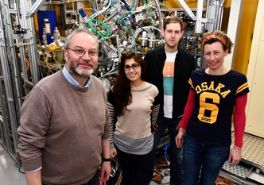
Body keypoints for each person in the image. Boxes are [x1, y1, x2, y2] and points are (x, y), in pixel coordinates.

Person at [17, 28, 111, 185]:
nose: (86, 57)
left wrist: (106, 159)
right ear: (66, 54)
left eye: (92, 52)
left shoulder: (99, 86)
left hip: (92, 177)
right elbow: (29, 147)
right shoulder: (44, 92)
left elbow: (106, 126)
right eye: (79, 51)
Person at [175, 30, 249, 185]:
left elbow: (240, 115)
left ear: (227, 52)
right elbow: (190, 105)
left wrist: (238, 146)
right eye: (207, 53)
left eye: (217, 53)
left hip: (218, 144)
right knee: (188, 180)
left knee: (208, 182)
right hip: (193, 139)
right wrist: (182, 129)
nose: (212, 58)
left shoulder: (238, 80)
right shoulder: (196, 75)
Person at [144, 16, 196, 185]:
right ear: (163, 33)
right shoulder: (151, 57)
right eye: (169, 31)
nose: (172, 35)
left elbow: (192, 92)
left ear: (181, 34)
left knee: (178, 156)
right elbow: (143, 86)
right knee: (147, 152)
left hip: (179, 117)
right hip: (156, 116)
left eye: (176, 32)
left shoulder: (189, 60)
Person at [107, 52, 159, 185]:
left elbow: (154, 113)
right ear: (123, 70)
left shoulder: (153, 90)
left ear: (141, 67)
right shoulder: (115, 91)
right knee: (127, 180)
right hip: (122, 146)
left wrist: (151, 127)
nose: (131, 70)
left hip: (144, 146)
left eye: (135, 66)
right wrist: (111, 145)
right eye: (127, 67)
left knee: (143, 180)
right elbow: (109, 121)